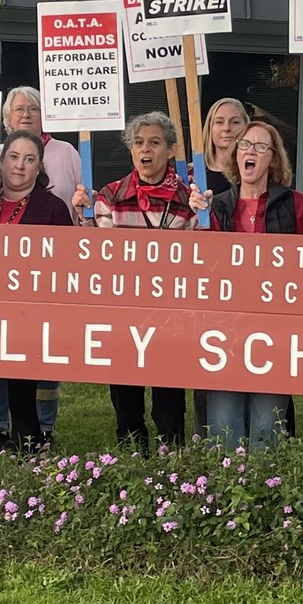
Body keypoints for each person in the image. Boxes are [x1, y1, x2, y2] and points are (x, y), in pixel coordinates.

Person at [0, 129, 79, 453]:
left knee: (22, 401)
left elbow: (67, 264)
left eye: (29, 160)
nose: (20, 166)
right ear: (1, 161)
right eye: (13, 157)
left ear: (40, 168)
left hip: (26, 318)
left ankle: (30, 474)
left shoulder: (51, 208)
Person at [79, 110, 196, 450]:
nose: (146, 149)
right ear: (131, 150)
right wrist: (84, 219)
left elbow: (199, 258)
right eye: (139, 143)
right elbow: (98, 254)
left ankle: (172, 461)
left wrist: (203, 217)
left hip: (170, 314)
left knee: (169, 402)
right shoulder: (110, 197)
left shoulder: (188, 200)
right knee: (126, 400)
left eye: (155, 142)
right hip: (124, 313)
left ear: (170, 150)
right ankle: (131, 459)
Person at [197, 121, 303, 447]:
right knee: (223, 422)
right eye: (245, 144)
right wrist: (198, 225)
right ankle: (221, 489)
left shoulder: (294, 204)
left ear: (273, 159)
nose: (251, 151)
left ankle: (266, 490)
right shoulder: (215, 205)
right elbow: (206, 265)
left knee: (267, 421)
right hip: (225, 326)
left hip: (274, 324)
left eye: (261, 147)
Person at [0, 88, 78, 441]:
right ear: (6, 118)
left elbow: (75, 211)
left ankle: (44, 427)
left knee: (41, 361)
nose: (26, 114)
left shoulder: (67, 152)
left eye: (34, 108)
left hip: (42, 280)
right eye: (18, 109)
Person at [202, 97, 251, 194]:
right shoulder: (193, 173)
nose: (227, 128)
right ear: (209, 128)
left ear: (246, 127)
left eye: (235, 122)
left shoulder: (254, 171)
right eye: (219, 122)